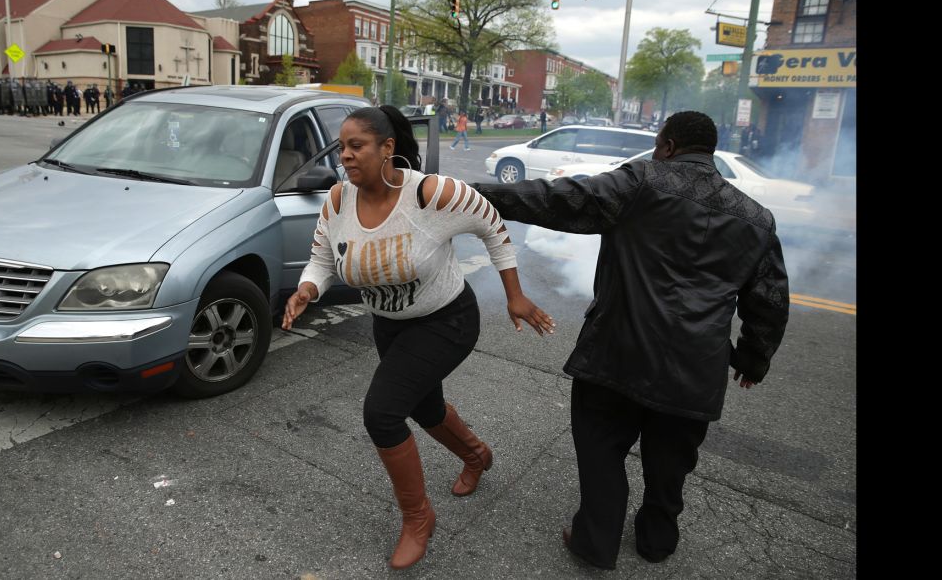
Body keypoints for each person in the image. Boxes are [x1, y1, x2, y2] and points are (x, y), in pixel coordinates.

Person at [473, 111, 789, 570]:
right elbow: (770, 301)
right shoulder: (756, 219)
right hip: (695, 369)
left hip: (616, 354)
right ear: (711, 151)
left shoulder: (642, 181)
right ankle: (656, 540)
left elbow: (558, 199)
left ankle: (595, 542)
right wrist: (752, 359)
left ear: (666, 145)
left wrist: (469, 194)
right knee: (671, 461)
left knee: (602, 451)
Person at [282, 106, 555, 570]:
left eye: (357, 146)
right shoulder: (336, 201)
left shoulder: (430, 193)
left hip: (446, 320)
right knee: (423, 406)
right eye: (342, 147)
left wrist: (515, 295)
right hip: (389, 324)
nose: (345, 156)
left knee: (383, 413)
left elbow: (491, 223)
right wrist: (308, 287)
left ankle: (418, 518)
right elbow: (323, 258)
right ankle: (476, 455)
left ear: (387, 149)